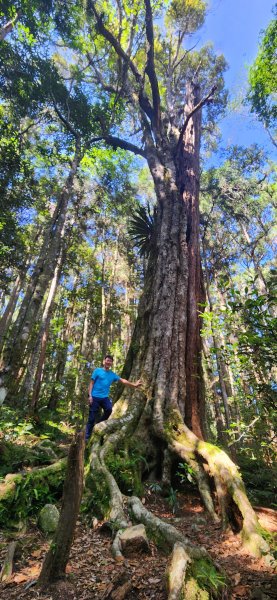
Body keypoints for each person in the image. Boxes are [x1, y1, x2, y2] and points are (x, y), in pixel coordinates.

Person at [85, 354, 141, 441]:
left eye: (110, 361)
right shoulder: (97, 371)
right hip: (95, 397)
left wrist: (134, 385)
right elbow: (91, 383)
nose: (108, 362)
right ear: (104, 361)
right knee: (91, 418)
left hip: (104, 397)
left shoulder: (112, 374)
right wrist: (90, 396)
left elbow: (123, 381)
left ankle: (99, 424)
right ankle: (87, 437)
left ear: (111, 363)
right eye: (107, 360)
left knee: (109, 409)